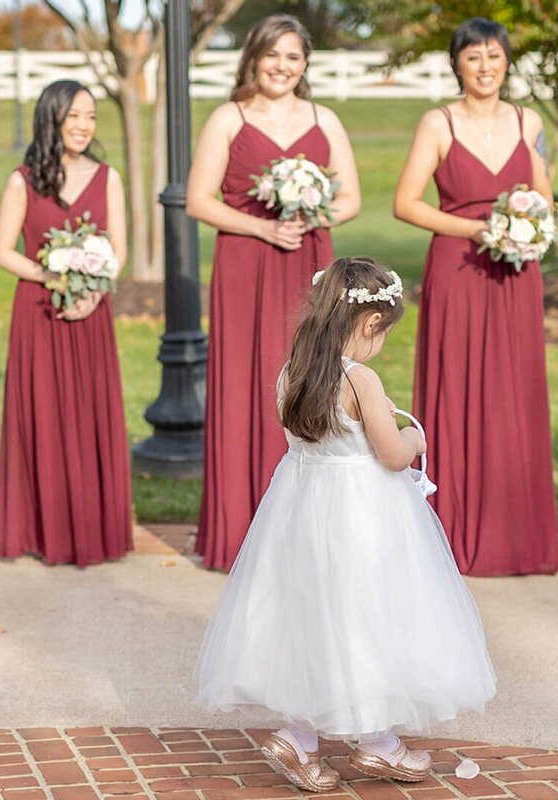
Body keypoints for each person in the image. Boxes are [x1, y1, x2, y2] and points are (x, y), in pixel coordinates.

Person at [194, 257, 496, 791]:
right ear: (371, 323)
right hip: (361, 513)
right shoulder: (360, 379)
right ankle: (377, 742)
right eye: (384, 332)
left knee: (315, 616)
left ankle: (301, 737)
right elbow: (393, 455)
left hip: (300, 502)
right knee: (365, 615)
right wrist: (418, 440)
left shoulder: (294, 369)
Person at [188, 13, 361, 570]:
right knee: (247, 380)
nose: (282, 66)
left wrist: (311, 210)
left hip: (309, 263)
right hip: (245, 262)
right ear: (253, 58)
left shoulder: (324, 119)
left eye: (293, 56)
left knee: (307, 378)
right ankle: (238, 531)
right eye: (272, 55)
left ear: (304, 63)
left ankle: (303, 533)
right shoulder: (228, 119)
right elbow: (199, 200)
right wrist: (263, 226)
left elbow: (352, 198)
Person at [392, 17, 558, 576]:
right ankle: (455, 534)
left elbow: (544, 196)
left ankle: (520, 537)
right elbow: (407, 203)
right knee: (459, 388)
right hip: (459, 269)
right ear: (456, 64)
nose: (485, 66)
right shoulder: (437, 123)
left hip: (516, 274)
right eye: (473, 57)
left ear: (507, 60)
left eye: (493, 55)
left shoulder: (527, 121)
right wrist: (478, 229)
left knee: (516, 391)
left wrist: (530, 226)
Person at [0, 79, 132, 567]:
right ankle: (41, 529)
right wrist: (51, 275)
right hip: (38, 314)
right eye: (73, 115)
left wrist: (92, 294)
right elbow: (2, 252)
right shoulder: (21, 180)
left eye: (90, 116)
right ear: (50, 118)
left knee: (90, 413)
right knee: (43, 414)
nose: (83, 125)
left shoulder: (107, 176)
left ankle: (95, 532)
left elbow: (118, 250)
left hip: (92, 314)